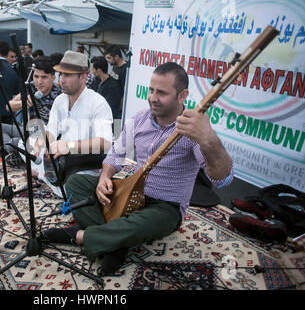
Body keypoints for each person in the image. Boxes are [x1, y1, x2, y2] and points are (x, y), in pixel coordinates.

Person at [41, 62, 234, 276]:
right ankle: (115, 244)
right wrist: (105, 176)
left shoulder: (192, 130)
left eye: (161, 92)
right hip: (132, 192)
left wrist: (208, 139)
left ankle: (78, 236)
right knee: (76, 182)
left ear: (182, 96)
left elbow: (221, 180)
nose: (152, 97)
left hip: (164, 206)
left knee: (147, 223)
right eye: (151, 90)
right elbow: (116, 153)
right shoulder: (140, 118)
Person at [33, 50, 113, 176]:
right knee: (30, 145)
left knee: (72, 183)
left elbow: (106, 143)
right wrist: (43, 141)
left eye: (67, 75)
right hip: (63, 160)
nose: (62, 80)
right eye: (61, 74)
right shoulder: (60, 100)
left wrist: (68, 145)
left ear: (83, 77)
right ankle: (43, 174)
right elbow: (52, 129)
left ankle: (43, 175)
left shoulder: (98, 103)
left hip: (86, 166)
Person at [0, 56, 62, 159]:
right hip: (32, 129)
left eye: (44, 77)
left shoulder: (59, 95)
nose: (39, 81)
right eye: (36, 76)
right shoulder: (31, 86)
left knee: (13, 142)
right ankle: (16, 153)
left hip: (48, 135)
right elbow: (8, 107)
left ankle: (16, 152)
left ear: (53, 77)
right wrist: (22, 102)